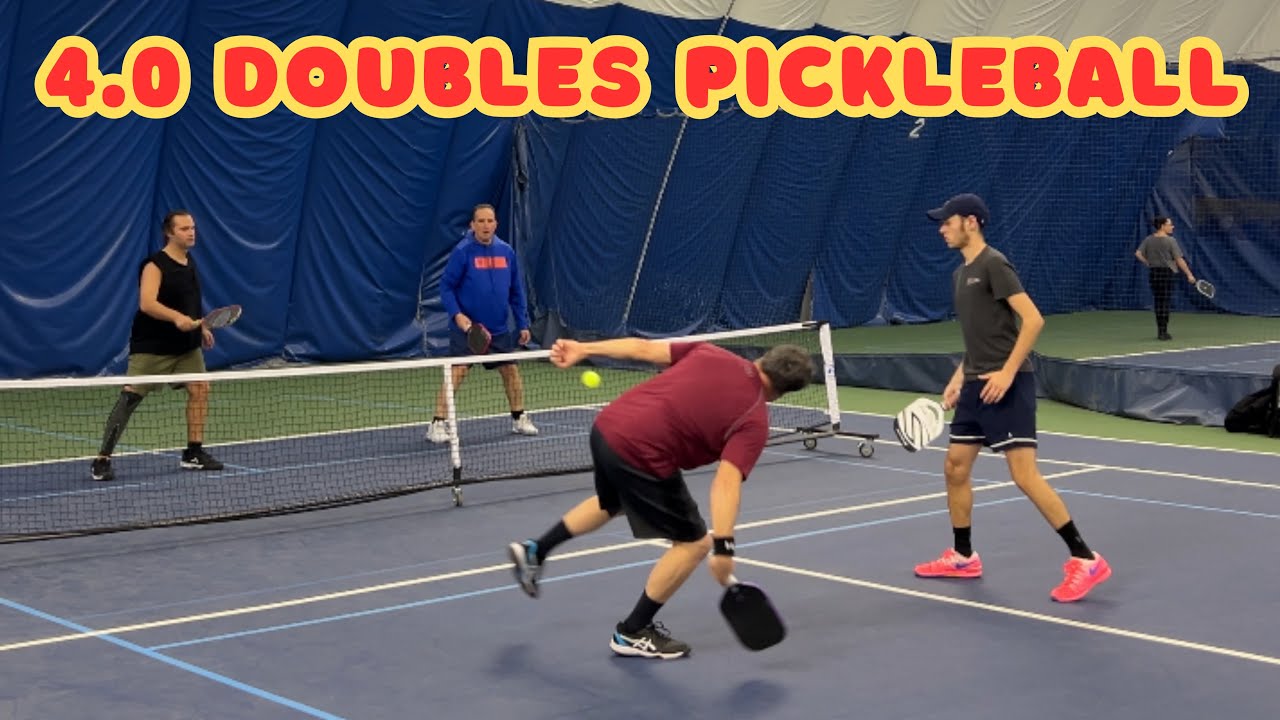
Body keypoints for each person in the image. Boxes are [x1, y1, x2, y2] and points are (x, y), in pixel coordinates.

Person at [506, 337, 814, 659]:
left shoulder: (711, 353)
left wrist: (584, 349)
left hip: (608, 427)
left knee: (615, 502)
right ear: (784, 391)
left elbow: (642, 349)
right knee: (694, 543)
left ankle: (536, 551)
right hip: (642, 452)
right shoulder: (754, 420)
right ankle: (633, 631)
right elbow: (725, 483)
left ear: (764, 357)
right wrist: (723, 546)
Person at [915, 193, 1110, 603]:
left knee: (1024, 475)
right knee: (954, 467)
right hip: (973, 385)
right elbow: (980, 336)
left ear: (970, 222)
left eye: (947, 221)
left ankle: (1086, 558)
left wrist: (1006, 372)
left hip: (1007, 385)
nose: (941, 228)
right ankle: (964, 556)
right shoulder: (960, 274)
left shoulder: (994, 264)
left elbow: (1033, 319)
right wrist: (957, 377)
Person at [90, 210, 225, 482]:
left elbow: (189, 303)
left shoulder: (189, 262)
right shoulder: (154, 264)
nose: (191, 232)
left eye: (193, 227)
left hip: (186, 347)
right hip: (152, 346)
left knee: (200, 389)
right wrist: (176, 318)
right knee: (130, 397)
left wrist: (202, 326)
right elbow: (147, 303)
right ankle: (102, 459)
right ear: (170, 233)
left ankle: (193, 453)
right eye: (185, 228)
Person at [426, 204, 538, 442]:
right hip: (468, 330)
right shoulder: (462, 251)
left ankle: (519, 418)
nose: (486, 225)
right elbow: (446, 287)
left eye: (490, 221)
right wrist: (457, 315)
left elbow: (516, 291)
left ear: (496, 224)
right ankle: (437, 424)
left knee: (511, 371)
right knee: (457, 372)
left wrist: (523, 323)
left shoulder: (506, 252)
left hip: (498, 329)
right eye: (481, 221)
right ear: (473, 225)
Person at [1135, 216, 1197, 340]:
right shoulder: (1170, 241)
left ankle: (1160, 331)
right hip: (1167, 274)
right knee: (1165, 303)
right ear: (1162, 226)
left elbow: (1138, 253)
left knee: (1158, 302)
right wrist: (1189, 275)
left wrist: (1148, 263)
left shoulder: (1148, 239)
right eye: (1170, 224)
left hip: (1154, 273)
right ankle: (1163, 332)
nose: (1172, 226)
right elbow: (1179, 259)